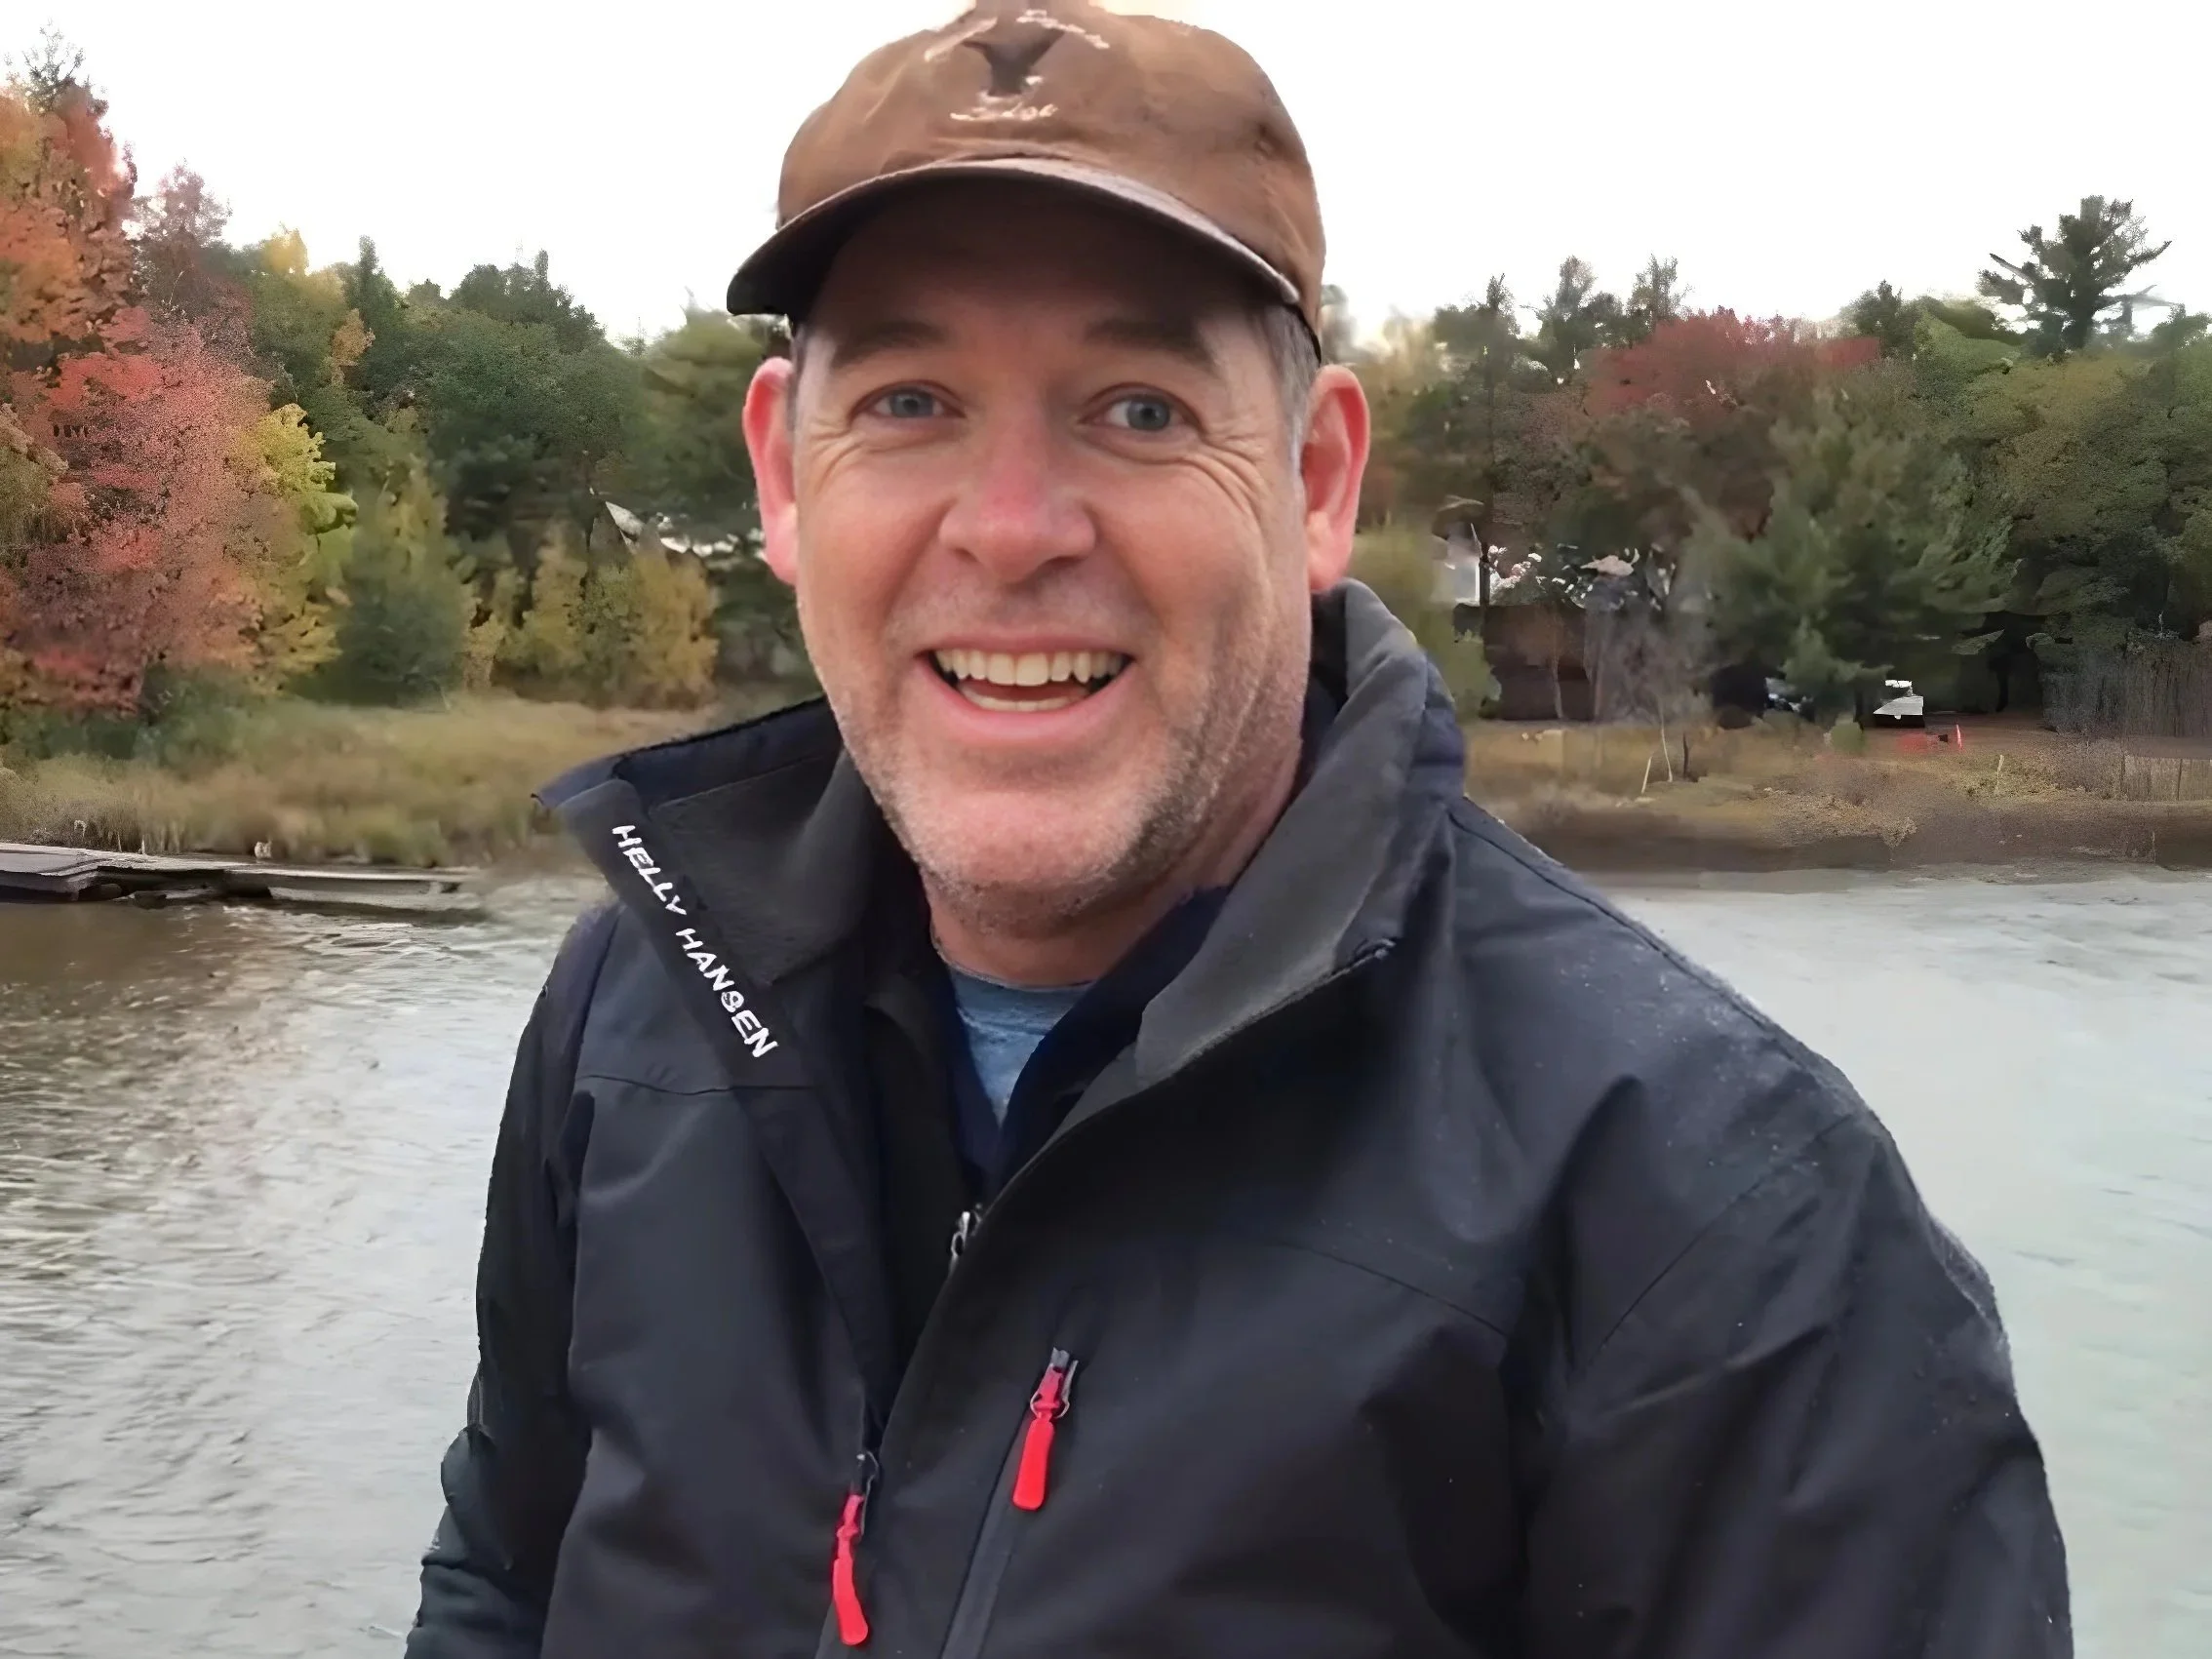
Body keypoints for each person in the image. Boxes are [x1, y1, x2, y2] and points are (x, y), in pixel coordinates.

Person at [406, 4, 2071, 1655]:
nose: (1010, 530)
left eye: (1138, 410)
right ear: (783, 476)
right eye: (911, 403)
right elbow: (502, 1585)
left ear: (1317, 481)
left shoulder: (1722, 1222)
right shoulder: (630, 1024)